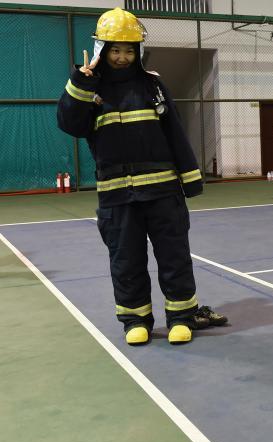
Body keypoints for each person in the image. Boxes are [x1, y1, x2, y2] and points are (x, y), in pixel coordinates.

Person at [57, 8, 226, 345]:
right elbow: (70, 124)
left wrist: (190, 178)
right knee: (125, 260)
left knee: (174, 256)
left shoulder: (152, 85)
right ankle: (135, 320)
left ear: (138, 51)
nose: (122, 57)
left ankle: (180, 317)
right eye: (116, 49)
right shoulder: (89, 87)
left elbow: (174, 131)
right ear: (102, 48)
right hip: (117, 197)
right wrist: (81, 84)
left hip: (163, 192)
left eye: (129, 49)